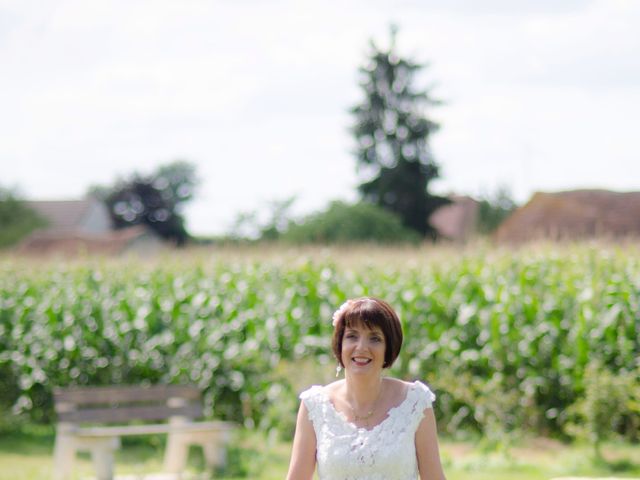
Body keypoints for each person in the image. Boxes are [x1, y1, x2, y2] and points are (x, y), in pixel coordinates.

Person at [286, 297, 447, 480]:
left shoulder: (415, 403)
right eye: (352, 336)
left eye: (375, 338)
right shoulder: (315, 406)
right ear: (340, 344)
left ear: (388, 348)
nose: (361, 347)